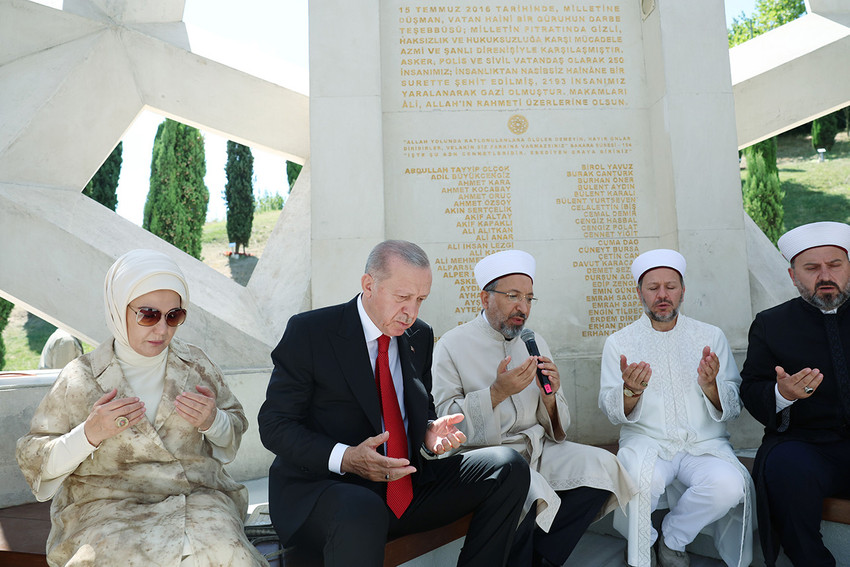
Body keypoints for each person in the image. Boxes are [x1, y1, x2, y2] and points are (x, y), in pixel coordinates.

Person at [258, 240, 530, 567]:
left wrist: (430, 437)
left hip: (404, 486)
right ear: (369, 285)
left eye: (420, 300)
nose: (411, 313)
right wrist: (347, 458)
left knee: (508, 466)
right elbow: (275, 426)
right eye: (402, 298)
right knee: (361, 508)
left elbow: (420, 416)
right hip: (328, 488)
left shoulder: (419, 336)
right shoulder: (311, 332)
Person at [16, 249, 267, 567]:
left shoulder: (196, 365)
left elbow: (234, 427)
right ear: (119, 308)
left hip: (195, 498)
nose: (162, 330)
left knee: (228, 555)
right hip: (105, 508)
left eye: (174, 316)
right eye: (148, 315)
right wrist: (89, 434)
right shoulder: (82, 377)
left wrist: (213, 421)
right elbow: (35, 460)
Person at [431, 249, 636, 567]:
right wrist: (496, 393)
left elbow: (559, 426)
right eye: (513, 296)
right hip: (487, 459)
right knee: (528, 489)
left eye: (528, 298)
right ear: (485, 298)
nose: (522, 307)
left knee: (604, 467)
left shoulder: (533, 340)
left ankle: (542, 557)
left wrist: (550, 397)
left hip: (538, 448)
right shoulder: (451, 345)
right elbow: (445, 423)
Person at [598, 249, 752, 567]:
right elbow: (612, 411)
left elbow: (734, 407)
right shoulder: (619, 343)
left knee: (730, 485)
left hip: (704, 445)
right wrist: (631, 391)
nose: (662, 295)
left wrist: (712, 388)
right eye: (653, 287)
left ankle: (673, 538)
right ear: (640, 292)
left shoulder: (710, 336)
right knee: (640, 482)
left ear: (683, 291)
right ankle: (645, 548)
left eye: (671, 286)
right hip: (647, 442)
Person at [741, 221, 850, 567]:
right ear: (793, 275)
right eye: (811, 268)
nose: (825, 275)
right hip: (806, 445)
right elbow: (751, 386)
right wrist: (781, 393)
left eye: (834, 264)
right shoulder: (771, 324)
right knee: (784, 469)